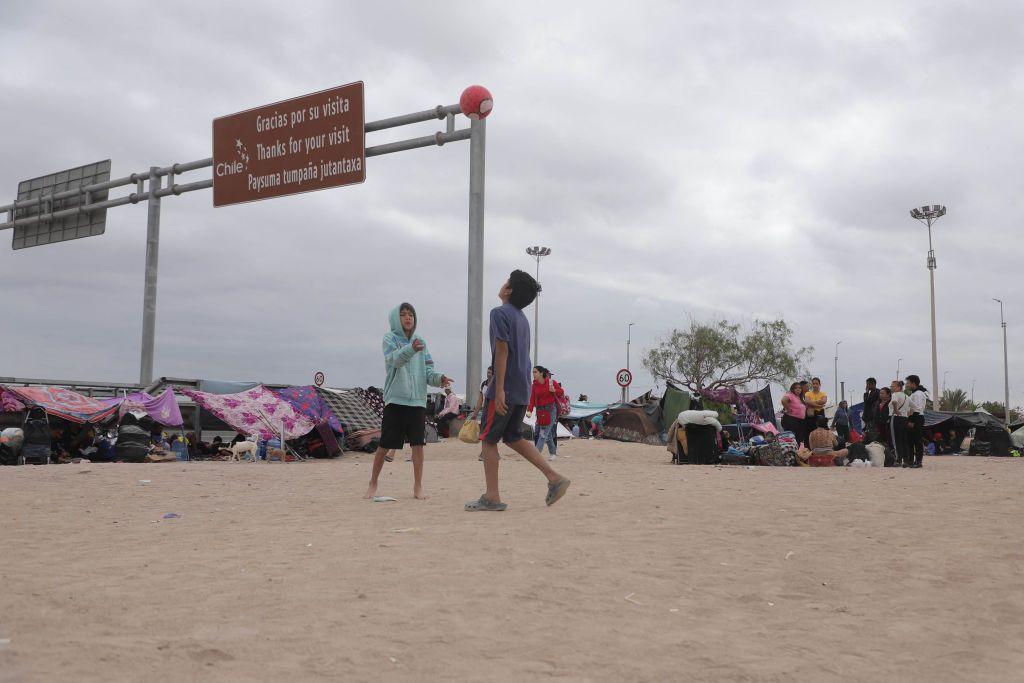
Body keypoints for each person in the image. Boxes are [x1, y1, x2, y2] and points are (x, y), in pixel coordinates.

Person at [465, 270, 570, 511]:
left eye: (506, 281)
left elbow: (502, 351)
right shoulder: (522, 319)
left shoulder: (499, 313)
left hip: (506, 388)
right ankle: (554, 477)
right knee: (513, 437)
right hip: (522, 389)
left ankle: (492, 496)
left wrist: (498, 388)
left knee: (488, 440)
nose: (503, 284)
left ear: (509, 290)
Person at [365, 303, 450, 500]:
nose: (407, 317)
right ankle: (373, 482)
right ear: (396, 318)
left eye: (410, 314)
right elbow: (394, 360)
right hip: (396, 399)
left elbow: (428, 371)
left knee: (418, 445)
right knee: (385, 444)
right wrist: (410, 349)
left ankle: (418, 487)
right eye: (403, 314)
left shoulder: (421, 341)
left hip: (417, 401)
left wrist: (439, 379)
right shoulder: (390, 339)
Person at [527, 365, 564, 461]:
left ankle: (536, 455)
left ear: (541, 373)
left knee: (543, 433)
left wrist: (554, 390)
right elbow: (531, 400)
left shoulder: (551, 382)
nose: (533, 374)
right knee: (547, 434)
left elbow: (561, 392)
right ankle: (553, 453)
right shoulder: (534, 385)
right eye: (533, 372)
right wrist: (529, 410)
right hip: (540, 412)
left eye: (535, 372)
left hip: (551, 410)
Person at [905, 375, 928, 468]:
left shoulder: (918, 394)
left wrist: (912, 421)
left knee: (917, 441)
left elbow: (917, 409)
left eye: (908, 383)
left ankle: (918, 461)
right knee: (910, 441)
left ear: (913, 383)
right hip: (913, 418)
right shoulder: (913, 394)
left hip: (917, 418)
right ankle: (910, 460)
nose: (906, 385)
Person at [889, 380, 910, 467]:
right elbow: (914, 407)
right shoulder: (906, 396)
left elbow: (894, 401)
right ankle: (906, 460)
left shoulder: (895, 394)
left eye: (893, 386)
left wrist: (896, 410)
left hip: (896, 418)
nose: (891, 388)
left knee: (896, 439)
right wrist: (908, 413)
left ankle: (898, 459)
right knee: (904, 439)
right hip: (904, 419)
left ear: (899, 387)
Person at [781, 382, 807, 446]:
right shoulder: (790, 394)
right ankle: (794, 453)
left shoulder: (800, 397)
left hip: (799, 421)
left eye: (799, 388)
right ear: (792, 389)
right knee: (793, 439)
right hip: (791, 420)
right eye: (796, 388)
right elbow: (783, 400)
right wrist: (788, 409)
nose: (798, 389)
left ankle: (799, 453)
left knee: (799, 439)